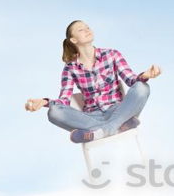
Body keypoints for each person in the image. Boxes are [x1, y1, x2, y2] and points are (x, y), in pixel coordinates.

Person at [25, 20, 161, 143]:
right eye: (81, 29)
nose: (87, 30)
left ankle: (102, 131)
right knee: (54, 112)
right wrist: (45, 102)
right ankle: (120, 126)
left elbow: (132, 80)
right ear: (73, 40)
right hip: (91, 118)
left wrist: (145, 75)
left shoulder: (112, 54)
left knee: (142, 87)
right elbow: (64, 101)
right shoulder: (70, 68)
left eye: (87, 27)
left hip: (118, 110)